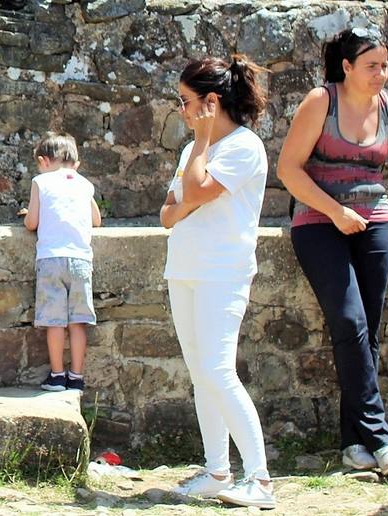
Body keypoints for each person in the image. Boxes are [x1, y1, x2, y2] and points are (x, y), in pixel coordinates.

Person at [277, 27, 388, 474]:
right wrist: (335, 210)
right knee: (349, 319)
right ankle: (379, 437)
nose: (381, 75)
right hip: (319, 220)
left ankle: (352, 443)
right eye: (372, 66)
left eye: (385, 66)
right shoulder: (321, 101)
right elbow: (288, 169)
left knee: (366, 330)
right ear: (347, 67)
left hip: (375, 219)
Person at [161, 56, 275, 510]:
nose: (182, 110)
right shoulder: (192, 152)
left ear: (212, 102)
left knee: (217, 372)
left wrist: (202, 149)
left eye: (186, 101)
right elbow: (169, 214)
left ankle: (260, 480)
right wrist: (194, 182)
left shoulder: (244, 147)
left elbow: (192, 195)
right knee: (200, 375)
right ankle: (217, 470)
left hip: (222, 274)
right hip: (185, 269)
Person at [23, 132, 100, 394]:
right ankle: (76, 377)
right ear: (75, 163)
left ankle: (57, 376)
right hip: (80, 259)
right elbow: (96, 220)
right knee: (78, 321)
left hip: (51, 259)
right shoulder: (84, 184)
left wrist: (28, 216)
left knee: (55, 322)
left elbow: (32, 222)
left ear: (44, 161)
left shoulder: (40, 182)